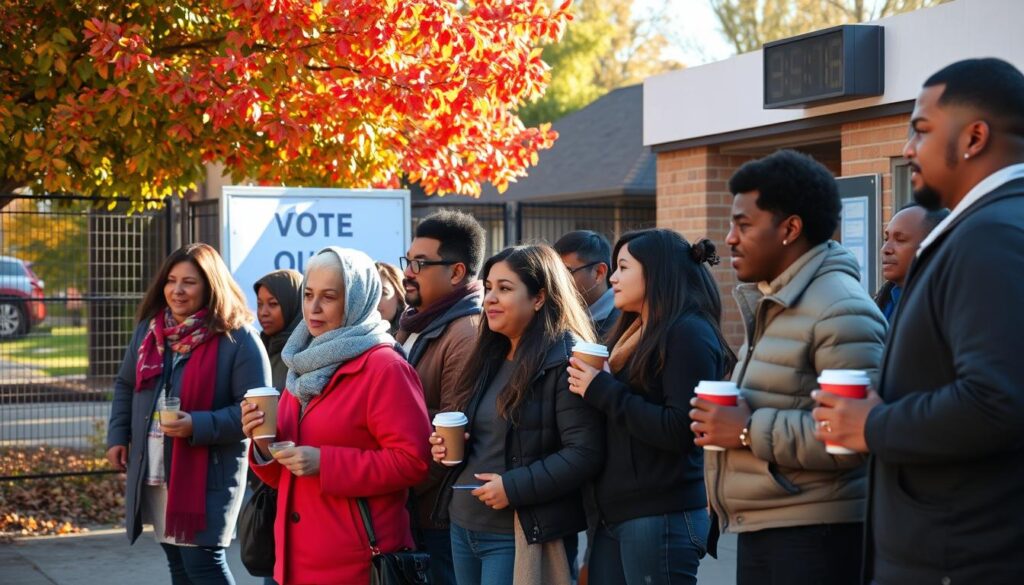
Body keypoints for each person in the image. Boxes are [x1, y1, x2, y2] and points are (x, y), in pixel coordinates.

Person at [812, 58, 1024, 584]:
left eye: (922, 130)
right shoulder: (987, 226)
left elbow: (996, 401)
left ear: (974, 137)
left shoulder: (992, 234)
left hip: (959, 557)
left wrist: (871, 424)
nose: (909, 149)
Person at [689, 149, 887, 585]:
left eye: (743, 225)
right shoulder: (776, 303)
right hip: (769, 527)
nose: (730, 239)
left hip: (815, 537)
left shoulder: (840, 309)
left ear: (790, 229)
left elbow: (858, 437)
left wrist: (744, 429)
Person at [242, 247, 431, 585]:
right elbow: (285, 475)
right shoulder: (301, 360)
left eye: (328, 297)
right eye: (309, 295)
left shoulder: (384, 367)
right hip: (294, 558)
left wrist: (325, 463)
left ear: (357, 300)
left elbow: (412, 461)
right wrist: (262, 443)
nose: (313, 309)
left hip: (356, 561)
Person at [429, 244, 604, 585]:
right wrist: (445, 446)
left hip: (517, 534)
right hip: (462, 525)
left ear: (538, 298)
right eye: (489, 287)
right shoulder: (488, 351)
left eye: (505, 289)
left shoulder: (565, 357)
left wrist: (513, 486)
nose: (490, 298)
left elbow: (585, 452)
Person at [566, 228, 733, 585]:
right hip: (617, 513)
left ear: (656, 272)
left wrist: (602, 389)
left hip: (661, 513)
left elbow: (680, 429)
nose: (612, 277)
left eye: (623, 267)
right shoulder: (635, 333)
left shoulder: (688, 333)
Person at [106, 243, 272, 585]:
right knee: (179, 565)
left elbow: (255, 412)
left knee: (203, 565)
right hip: (154, 468)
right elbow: (125, 385)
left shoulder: (238, 339)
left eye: (189, 282)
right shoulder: (150, 332)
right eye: (171, 280)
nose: (177, 291)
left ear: (211, 286)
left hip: (206, 474)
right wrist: (117, 436)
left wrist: (197, 424)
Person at [396, 210, 486, 585]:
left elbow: (450, 436)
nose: (408, 272)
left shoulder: (465, 333)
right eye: (408, 260)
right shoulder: (415, 321)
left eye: (420, 263)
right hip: (412, 504)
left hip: (436, 515)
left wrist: (396, 481)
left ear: (457, 272)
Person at [874, 204, 948, 321]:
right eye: (886, 239)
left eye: (900, 240)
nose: (885, 249)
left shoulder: (946, 308)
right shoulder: (884, 300)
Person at [553, 230, 620, 339]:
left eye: (567, 272)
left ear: (599, 273)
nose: (558, 281)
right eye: (555, 273)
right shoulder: (556, 314)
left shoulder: (624, 320)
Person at [254, 269, 304, 390]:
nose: (263, 313)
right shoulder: (258, 348)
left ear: (292, 304)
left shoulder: (304, 353)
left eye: (273, 304)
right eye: (260, 304)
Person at [375, 261, 406, 335]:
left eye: (383, 293)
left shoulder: (415, 337)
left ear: (399, 299)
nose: (374, 300)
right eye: (369, 293)